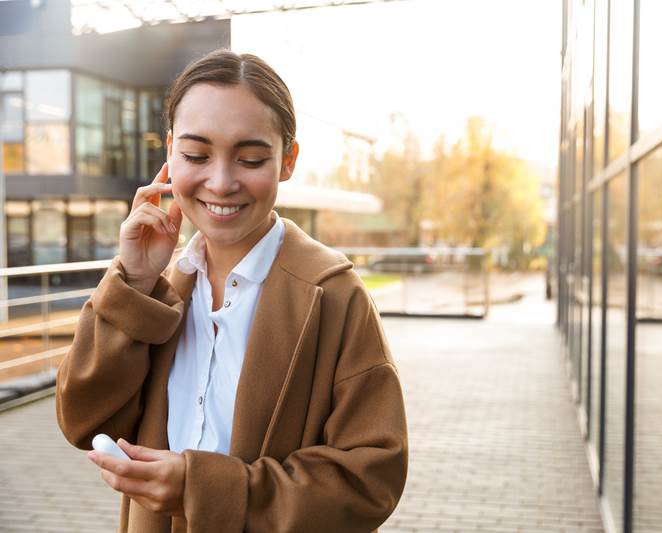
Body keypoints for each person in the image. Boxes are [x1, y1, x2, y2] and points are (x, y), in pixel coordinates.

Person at [56, 49, 408, 533]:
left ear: (287, 161)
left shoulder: (334, 296)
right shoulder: (162, 286)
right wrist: (134, 283)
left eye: (251, 158)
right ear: (169, 153)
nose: (221, 183)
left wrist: (202, 488)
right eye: (196, 156)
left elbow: (372, 481)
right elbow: (81, 420)